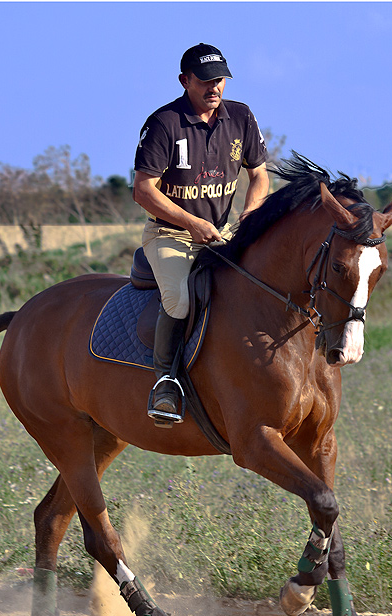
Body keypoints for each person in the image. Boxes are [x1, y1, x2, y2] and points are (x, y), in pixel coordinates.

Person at [133, 43, 269, 427]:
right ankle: (165, 382)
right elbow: (143, 191)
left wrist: (251, 215)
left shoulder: (241, 117)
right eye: (206, 81)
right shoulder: (164, 123)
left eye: (220, 80)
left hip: (223, 233)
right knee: (179, 300)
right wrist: (192, 224)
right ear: (184, 81)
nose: (215, 88)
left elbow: (259, 175)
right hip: (170, 236)